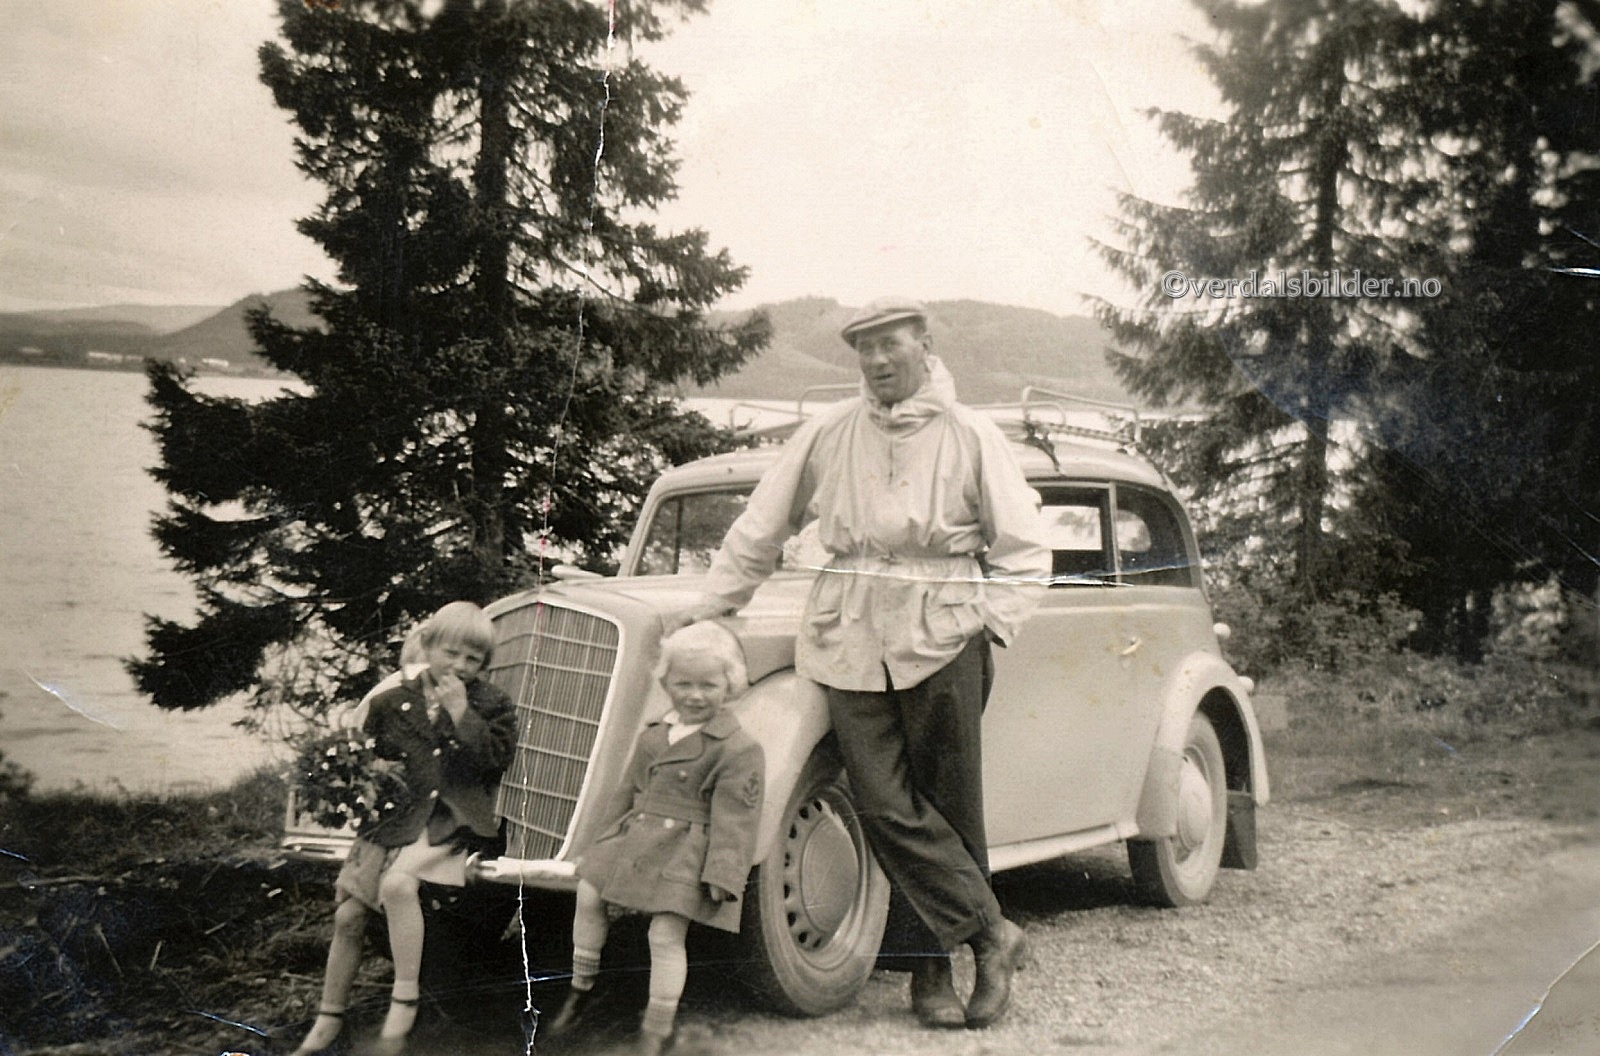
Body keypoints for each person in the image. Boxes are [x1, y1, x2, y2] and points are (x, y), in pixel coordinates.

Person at [672, 297, 1050, 1029]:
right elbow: (762, 526)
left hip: (944, 633)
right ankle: (990, 934)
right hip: (846, 633)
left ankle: (934, 971)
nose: (876, 361)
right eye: (864, 349)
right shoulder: (830, 431)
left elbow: (1027, 551)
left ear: (924, 345)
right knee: (880, 802)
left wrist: (985, 623)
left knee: (950, 806)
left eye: (890, 345)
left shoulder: (970, 433)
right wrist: (714, 606)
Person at [290, 601, 516, 1056]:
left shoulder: (492, 704)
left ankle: (405, 999)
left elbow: (494, 761)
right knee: (348, 917)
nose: (460, 665)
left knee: (397, 886)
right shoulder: (392, 700)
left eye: (473, 659)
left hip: (449, 823)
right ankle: (329, 1017)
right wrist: (359, 780)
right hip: (395, 821)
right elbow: (369, 757)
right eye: (451, 653)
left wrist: (461, 714)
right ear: (427, 647)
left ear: (484, 665)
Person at [542, 621, 765, 1056]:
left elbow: (737, 819)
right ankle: (581, 987)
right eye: (684, 684)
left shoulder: (737, 747)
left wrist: (723, 873)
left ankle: (656, 1027)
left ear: (730, 685)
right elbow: (626, 792)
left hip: (687, 849)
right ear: (665, 683)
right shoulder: (654, 735)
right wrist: (599, 846)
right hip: (636, 833)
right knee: (588, 893)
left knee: (665, 934)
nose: (695, 695)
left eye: (708, 685)